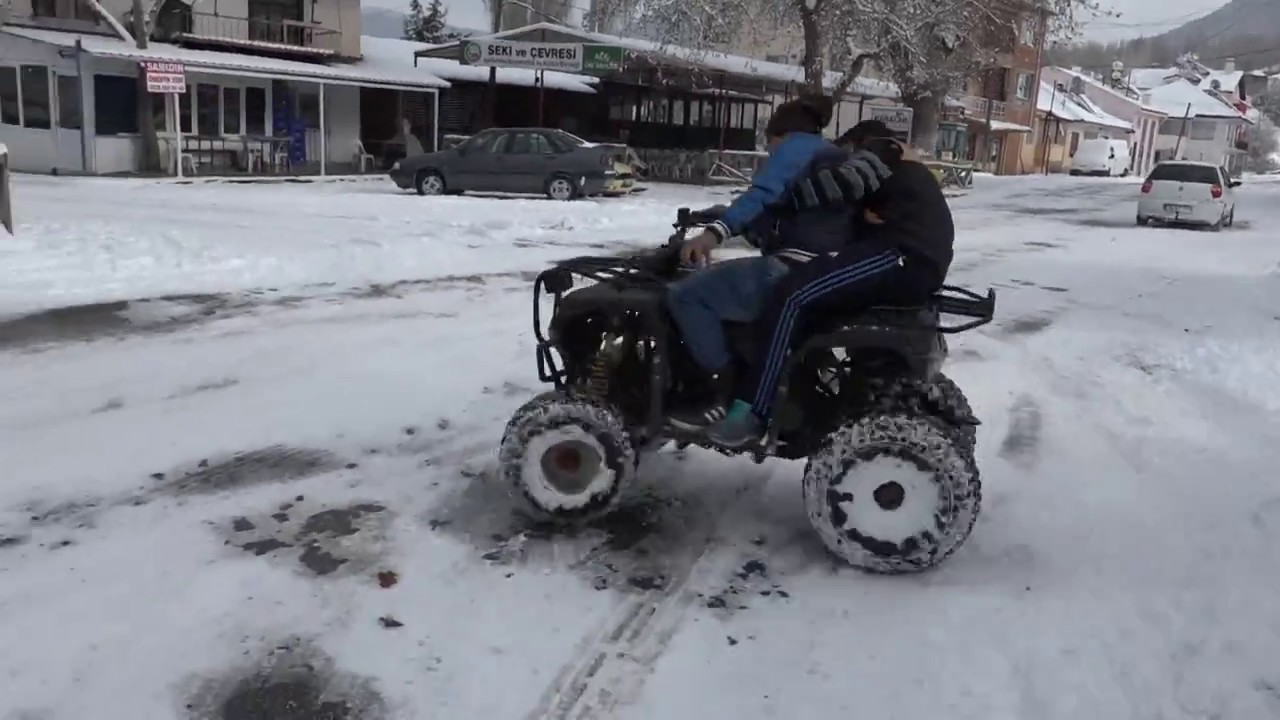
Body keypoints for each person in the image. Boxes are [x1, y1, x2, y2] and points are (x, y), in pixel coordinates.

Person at [699, 132, 956, 448]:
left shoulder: (878, 151)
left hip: (902, 254)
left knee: (792, 295)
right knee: (816, 297)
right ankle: (797, 385)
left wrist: (779, 203)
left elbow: (838, 186)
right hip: (914, 256)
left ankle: (753, 410)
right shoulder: (904, 179)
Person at [666, 96, 889, 431]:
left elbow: (762, 195)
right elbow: (781, 214)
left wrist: (712, 234)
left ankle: (717, 389)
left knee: (686, 295)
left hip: (791, 268)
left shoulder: (796, 147)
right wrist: (724, 216)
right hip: (823, 267)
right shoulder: (828, 155)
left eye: (770, 146)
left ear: (780, 135)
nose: (771, 154)